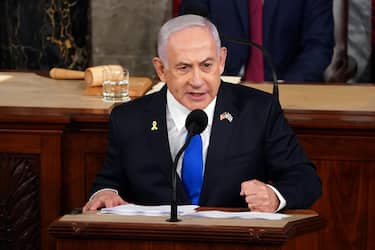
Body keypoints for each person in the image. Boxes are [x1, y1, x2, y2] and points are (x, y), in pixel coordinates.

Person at [83, 14, 321, 213]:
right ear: (161, 69)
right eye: (184, 67)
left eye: (207, 65)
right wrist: (105, 193)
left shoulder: (258, 110)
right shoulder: (129, 119)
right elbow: (109, 181)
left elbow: (304, 178)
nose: (197, 81)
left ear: (222, 61)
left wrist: (275, 196)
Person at [179, 0, 334, 82]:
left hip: (288, 88)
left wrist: (289, 86)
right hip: (221, 87)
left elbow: (319, 45)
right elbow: (190, 33)